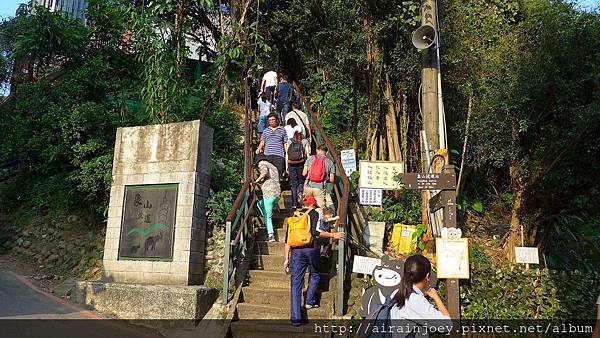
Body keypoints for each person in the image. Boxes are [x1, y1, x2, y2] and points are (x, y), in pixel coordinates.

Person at [283, 196, 344, 326]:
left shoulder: (294, 216)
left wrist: (286, 258)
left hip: (296, 252)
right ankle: (309, 301)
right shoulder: (315, 213)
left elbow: (288, 240)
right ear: (313, 205)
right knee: (315, 274)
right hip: (311, 249)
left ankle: (295, 318)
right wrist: (333, 235)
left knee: (295, 284)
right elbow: (316, 233)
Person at [390, 254, 453, 338]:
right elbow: (447, 325)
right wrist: (436, 297)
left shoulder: (396, 293)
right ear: (427, 277)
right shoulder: (415, 300)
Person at [253, 154, 281, 242]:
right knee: (260, 204)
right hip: (277, 193)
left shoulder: (262, 165)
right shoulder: (273, 167)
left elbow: (264, 173)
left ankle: (271, 235)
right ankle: (267, 223)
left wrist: (255, 181)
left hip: (269, 193)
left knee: (268, 215)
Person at [303, 144, 336, 209]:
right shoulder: (329, 162)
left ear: (317, 150)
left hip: (308, 186)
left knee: (307, 207)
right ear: (326, 152)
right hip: (319, 188)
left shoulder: (310, 158)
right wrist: (325, 179)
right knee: (319, 209)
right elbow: (332, 180)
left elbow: (304, 173)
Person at [256, 113, 287, 179]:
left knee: (279, 171)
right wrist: (259, 148)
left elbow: (285, 142)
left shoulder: (282, 129)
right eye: (270, 120)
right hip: (268, 154)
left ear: (277, 120)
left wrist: (286, 152)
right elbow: (263, 141)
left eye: (273, 119)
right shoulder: (266, 131)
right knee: (268, 172)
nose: (271, 121)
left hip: (279, 154)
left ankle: (277, 186)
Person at [286, 128, 310, 209]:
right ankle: (300, 195)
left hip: (291, 164)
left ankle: (294, 203)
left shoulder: (289, 141)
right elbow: (308, 154)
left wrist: (286, 166)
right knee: (301, 181)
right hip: (301, 164)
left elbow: (287, 154)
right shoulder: (305, 141)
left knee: (293, 183)